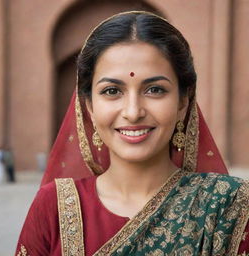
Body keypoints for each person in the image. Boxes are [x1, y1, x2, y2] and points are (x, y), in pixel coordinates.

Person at [16, 11, 249, 256]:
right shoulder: (52, 206)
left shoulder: (230, 206)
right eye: (112, 91)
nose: (133, 112)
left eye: (155, 89)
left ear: (183, 102)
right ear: (90, 107)